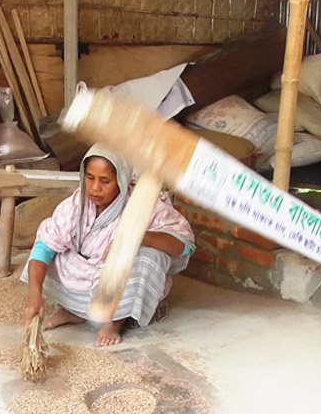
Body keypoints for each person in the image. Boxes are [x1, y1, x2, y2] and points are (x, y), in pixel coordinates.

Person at [21, 144, 195, 347]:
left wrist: (137, 238)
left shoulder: (143, 205)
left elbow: (185, 246)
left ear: (121, 180)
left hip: (116, 277)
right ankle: (74, 311)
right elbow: (45, 247)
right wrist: (34, 296)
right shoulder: (76, 204)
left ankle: (114, 322)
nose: (95, 188)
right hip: (82, 274)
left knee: (150, 257)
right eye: (90, 178)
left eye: (105, 181)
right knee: (47, 243)